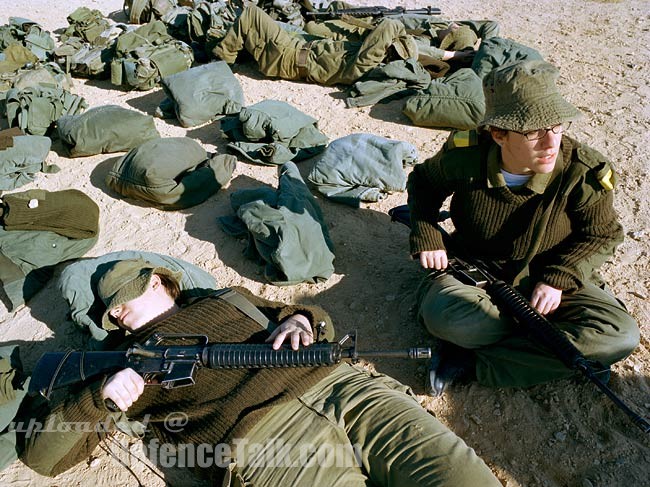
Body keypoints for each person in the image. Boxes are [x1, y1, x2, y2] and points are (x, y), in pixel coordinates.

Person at [18, 258, 501, 486]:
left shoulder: (223, 297)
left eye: (128, 293)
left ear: (161, 281)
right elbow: (44, 458)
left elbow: (313, 319)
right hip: (264, 443)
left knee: (464, 478)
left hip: (344, 388)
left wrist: (301, 319)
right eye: (113, 311)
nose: (120, 310)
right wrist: (99, 397)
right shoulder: (122, 360)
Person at [407, 60, 640, 395]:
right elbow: (425, 183)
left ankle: (475, 363)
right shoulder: (467, 153)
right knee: (447, 317)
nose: (550, 143)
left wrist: (558, 278)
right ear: (498, 134)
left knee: (619, 335)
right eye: (533, 132)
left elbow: (602, 233)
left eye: (556, 125)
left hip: (552, 280)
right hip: (478, 273)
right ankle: (561, 354)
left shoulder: (583, 170)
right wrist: (427, 232)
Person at [212, 5, 464, 86]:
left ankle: (219, 65)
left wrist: (397, 26)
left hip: (287, 57)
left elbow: (388, 26)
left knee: (250, 13)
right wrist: (453, 55)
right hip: (296, 51)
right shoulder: (369, 62)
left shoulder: (365, 63)